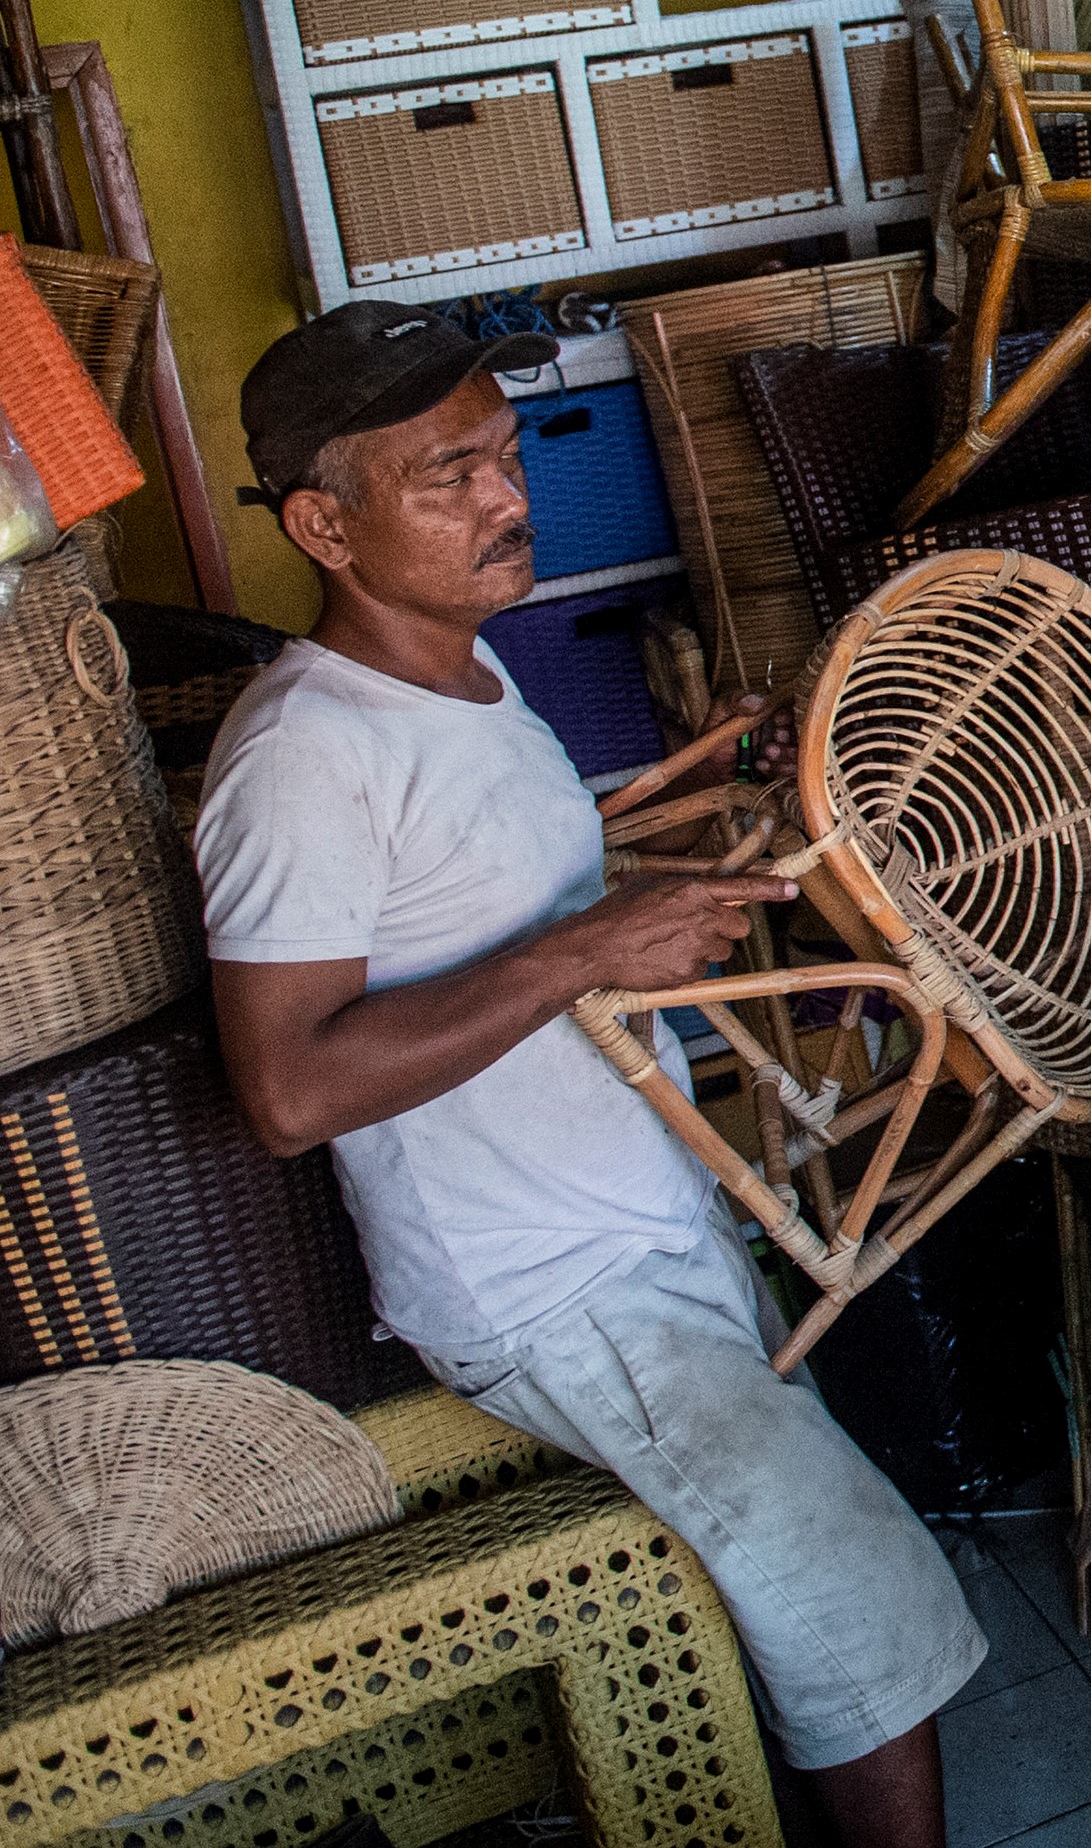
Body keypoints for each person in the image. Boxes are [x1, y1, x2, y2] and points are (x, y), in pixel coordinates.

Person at [196, 304, 985, 1848]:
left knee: (806, 1600)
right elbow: (286, 1090)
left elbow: (503, 906)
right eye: (451, 475)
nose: (510, 498)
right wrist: (584, 951)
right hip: (547, 1279)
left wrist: (672, 842)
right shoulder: (302, 755)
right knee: (863, 1609)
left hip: (638, 1223)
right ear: (323, 524)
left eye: (507, 453)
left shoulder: (469, 678)